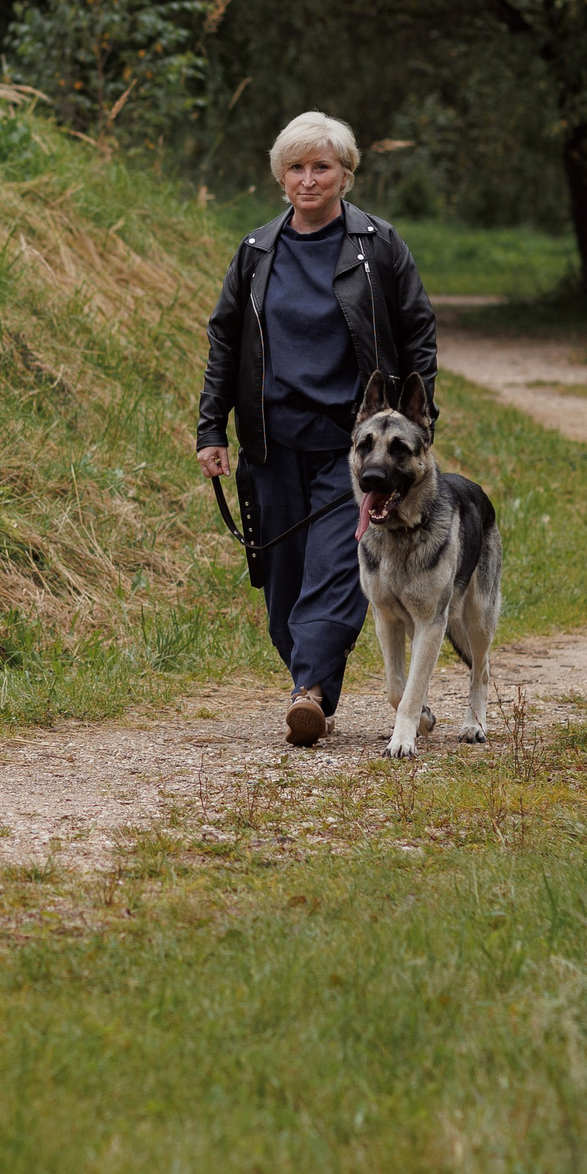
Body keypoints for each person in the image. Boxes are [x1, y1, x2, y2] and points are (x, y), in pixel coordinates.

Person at [196, 112, 440, 746]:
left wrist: (415, 419)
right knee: (281, 582)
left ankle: (308, 693)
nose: (309, 179)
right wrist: (211, 429)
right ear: (281, 176)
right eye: (297, 167)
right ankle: (313, 681)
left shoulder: (377, 246)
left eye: (322, 167)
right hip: (271, 442)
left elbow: (417, 329)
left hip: (354, 449)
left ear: (344, 174)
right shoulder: (256, 251)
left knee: (337, 568)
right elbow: (226, 340)